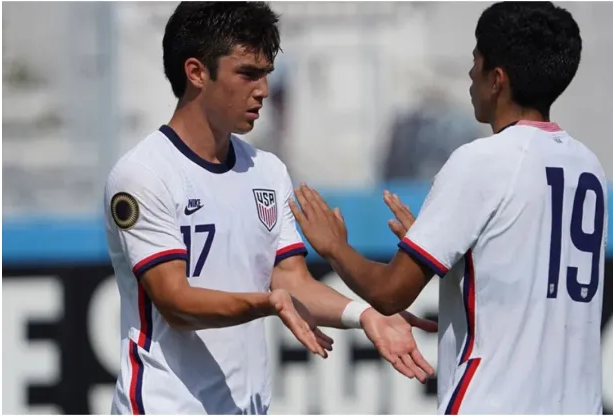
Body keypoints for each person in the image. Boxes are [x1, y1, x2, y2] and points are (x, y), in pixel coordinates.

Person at [103, 2, 437, 414]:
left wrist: (364, 314)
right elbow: (175, 304)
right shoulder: (143, 174)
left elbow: (290, 282)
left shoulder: (267, 170)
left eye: (266, 74)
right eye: (247, 73)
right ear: (196, 73)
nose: (263, 89)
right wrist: (265, 302)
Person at [290, 2, 607, 414]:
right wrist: (443, 244)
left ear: (497, 79)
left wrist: (334, 248)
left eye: (475, 60)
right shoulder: (587, 164)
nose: (469, 74)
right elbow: (519, 266)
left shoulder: (483, 160)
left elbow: (390, 294)